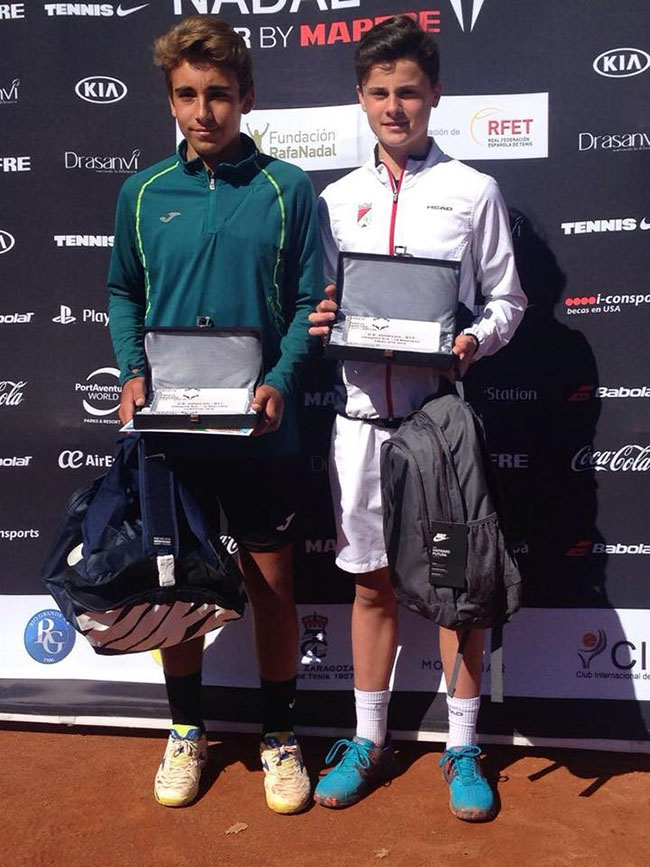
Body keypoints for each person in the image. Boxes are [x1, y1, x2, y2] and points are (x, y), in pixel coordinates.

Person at [308, 15, 527, 820]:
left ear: (435, 94)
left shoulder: (473, 191)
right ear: (360, 98)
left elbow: (508, 300)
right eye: (379, 93)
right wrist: (321, 318)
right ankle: (369, 739)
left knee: (453, 588)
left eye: (408, 91)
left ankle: (462, 747)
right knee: (371, 587)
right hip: (360, 428)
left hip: (438, 432)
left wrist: (474, 338)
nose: (394, 107)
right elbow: (321, 305)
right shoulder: (336, 201)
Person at [107, 15, 322, 813]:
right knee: (179, 588)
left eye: (220, 94)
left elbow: (310, 303)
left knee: (272, 586)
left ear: (247, 96)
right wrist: (133, 373)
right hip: (173, 431)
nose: (204, 112)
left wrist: (281, 380)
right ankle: (187, 729)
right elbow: (122, 291)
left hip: (262, 430)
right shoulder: (141, 193)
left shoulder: (288, 189)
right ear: (170, 100)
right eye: (188, 95)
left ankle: (279, 735)